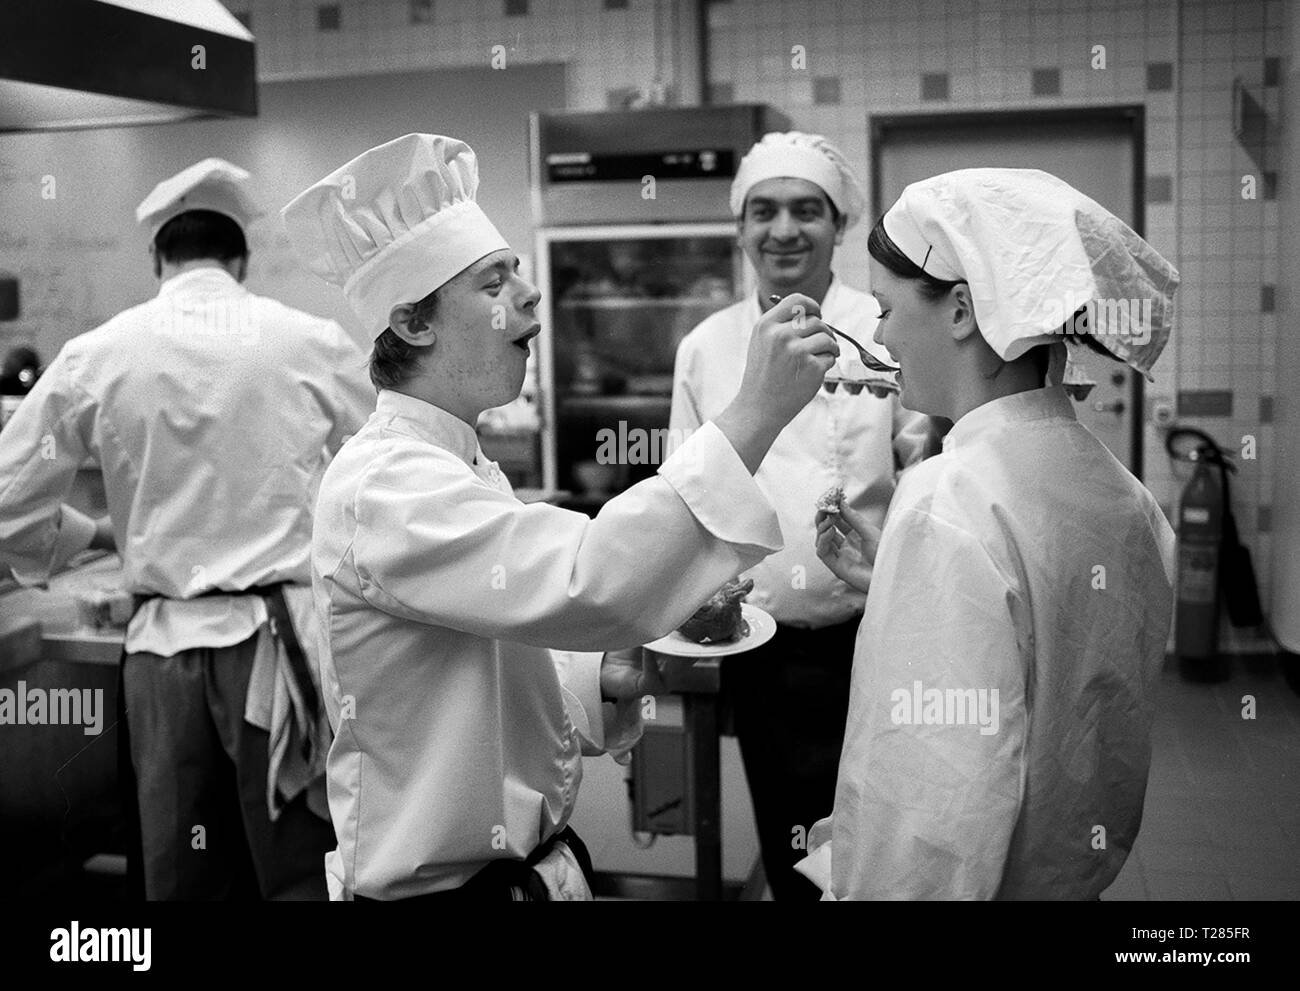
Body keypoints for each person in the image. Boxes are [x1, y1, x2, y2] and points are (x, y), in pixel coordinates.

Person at [280, 133, 839, 901]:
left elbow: (500, 647)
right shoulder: (386, 484)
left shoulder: (461, 462)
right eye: (493, 281)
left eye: (518, 270)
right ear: (413, 323)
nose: (531, 292)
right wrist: (753, 416)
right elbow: (588, 581)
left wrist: (597, 670)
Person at [799, 168, 1180, 899]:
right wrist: (901, 582)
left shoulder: (946, 501)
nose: (878, 334)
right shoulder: (1126, 496)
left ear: (963, 310)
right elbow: (1058, 683)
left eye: (885, 308)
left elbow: (934, 806)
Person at [0, 158, 375, 899]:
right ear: (239, 259)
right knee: (301, 869)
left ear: (157, 260)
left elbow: (7, 497)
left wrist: (80, 538)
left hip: (160, 659)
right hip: (277, 654)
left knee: (181, 878)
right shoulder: (309, 339)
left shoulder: (98, 353)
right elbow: (394, 469)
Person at [669, 131, 929, 899]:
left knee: (882, 830)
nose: (784, 229)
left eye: (806, 211)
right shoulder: (707, 347)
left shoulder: (884, 329)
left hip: (877, 630)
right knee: (788, 836)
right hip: (763, 647)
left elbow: (925, 469)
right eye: (765, 211)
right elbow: (685, 488)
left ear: (839, 224)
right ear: (740, 228)